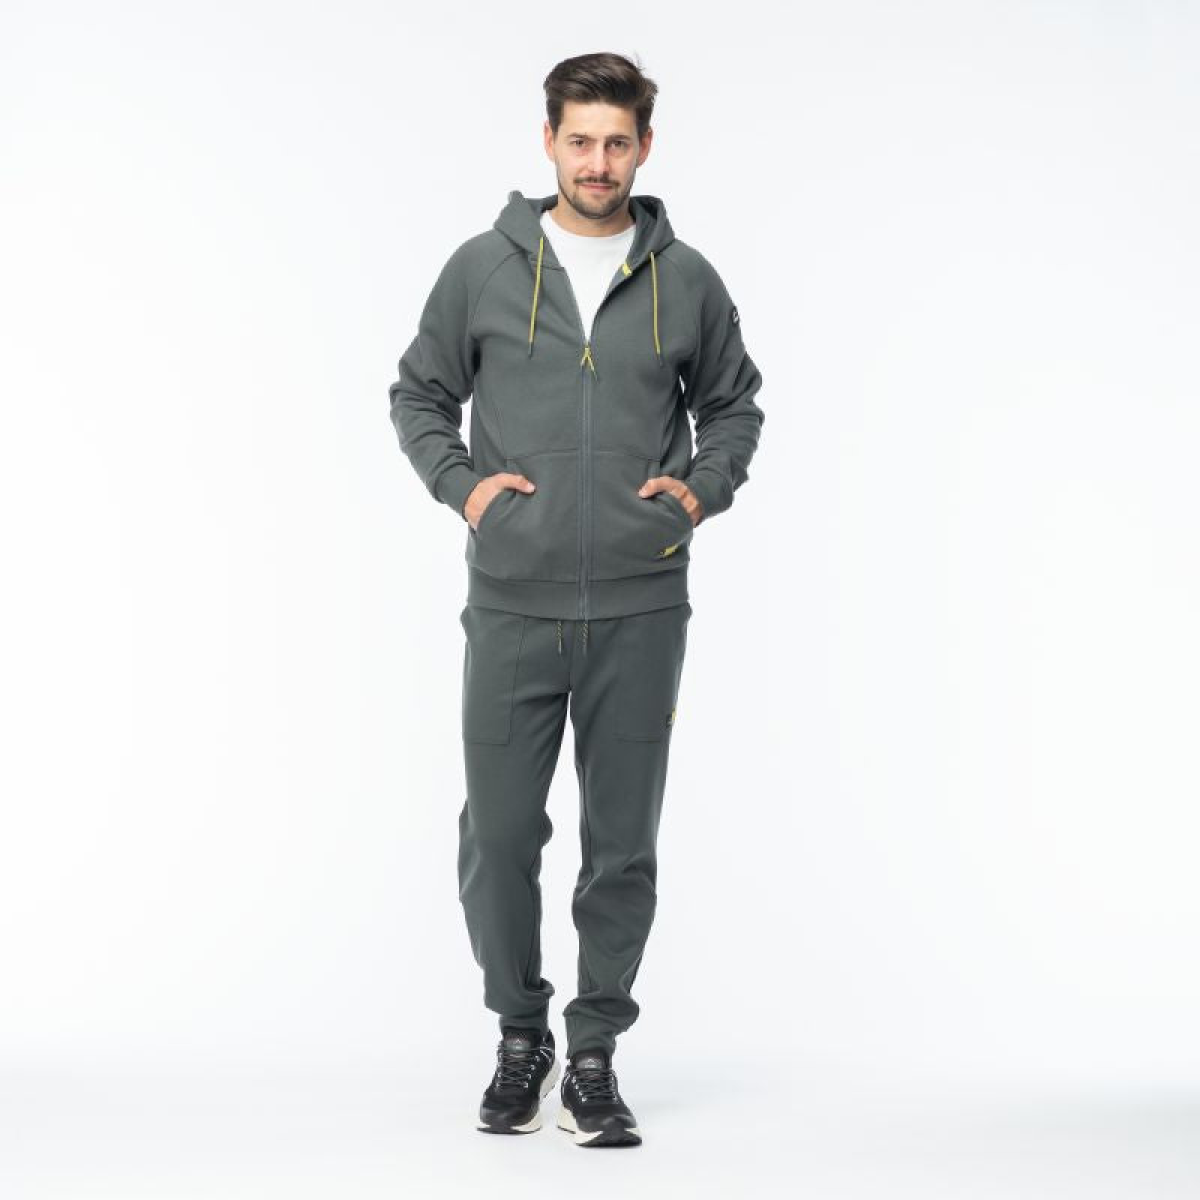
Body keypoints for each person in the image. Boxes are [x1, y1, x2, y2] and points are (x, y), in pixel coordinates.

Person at [388, 51, 764, 1148]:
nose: (598, 162)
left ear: (645, 147)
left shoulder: (688, 280)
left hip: (642, 606)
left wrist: (700, 490)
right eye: (580, 140)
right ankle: (522, 1033)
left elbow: (735, 406)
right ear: (548, 140)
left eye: (617, 142)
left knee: (621, 844)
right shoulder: (482, 269)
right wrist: (465, 490)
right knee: (499, 835)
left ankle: (594, 1051)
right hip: (513, 600)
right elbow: (419, 393)